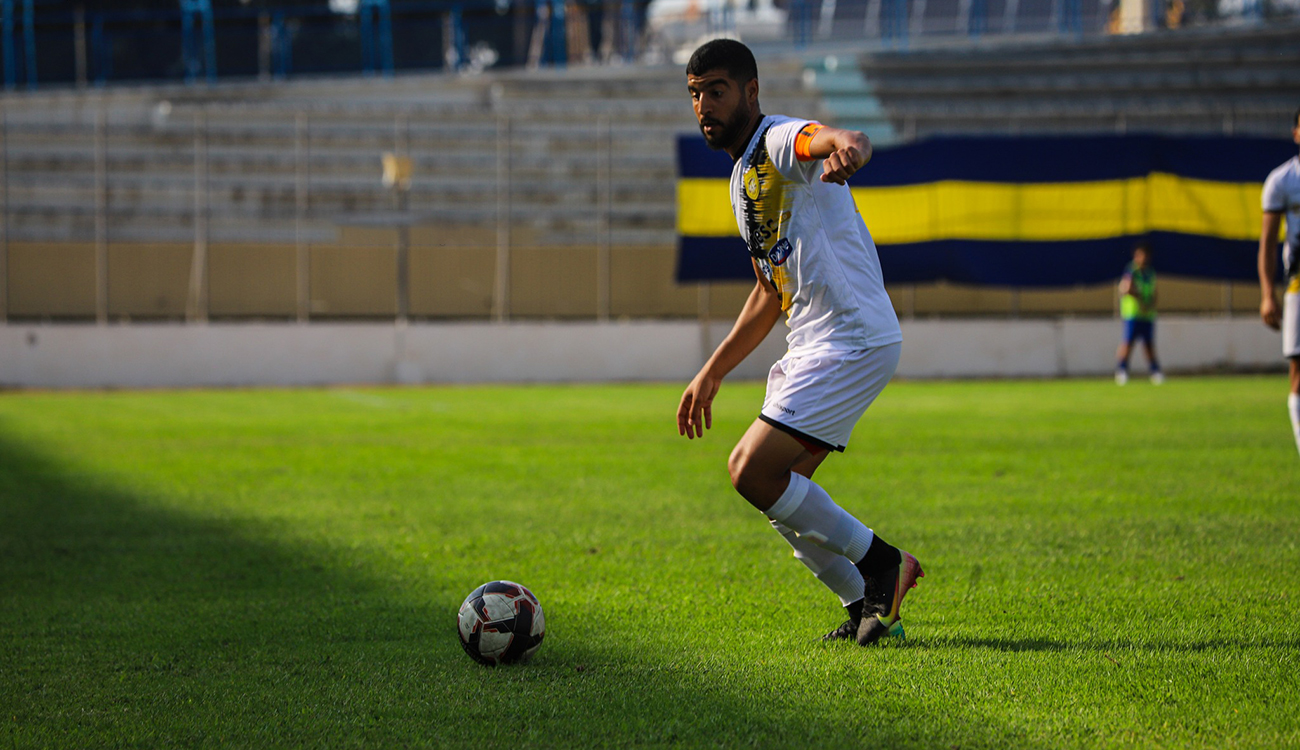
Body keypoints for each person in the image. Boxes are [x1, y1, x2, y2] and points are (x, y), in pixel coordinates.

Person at [675, 39, 922, 646]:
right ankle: (865, 602)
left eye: (717, 90)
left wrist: (849, 148)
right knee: (782, 493)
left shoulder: (780, 142)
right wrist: (713, 370)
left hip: (851, 337)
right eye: (696, 94)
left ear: (750, 92)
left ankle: (884, 564)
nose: (705, 105)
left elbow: (837, 138)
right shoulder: (741, 183)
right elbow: (769, 291)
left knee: (748, 470)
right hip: (812, 343)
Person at [1257, 107, 1300, 458]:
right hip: (1299, 281)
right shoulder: (1282, 180)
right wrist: (1268, 294)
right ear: (1296, 133)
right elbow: (1268, 243)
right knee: (1298, 369)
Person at [1114, 242, 1163, 385]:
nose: (1143, 258)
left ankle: (1155, 371)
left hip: (1147, 315)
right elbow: (1126, 289)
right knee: (1128, 343)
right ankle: (1122, 370)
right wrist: (1141, 301)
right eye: (1140, 255)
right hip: (1133, 314)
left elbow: (1154, 292)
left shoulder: (1150, 272)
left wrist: (1150, 305)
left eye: (1145, 255)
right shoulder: (1131, 271)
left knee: (1149, 344)